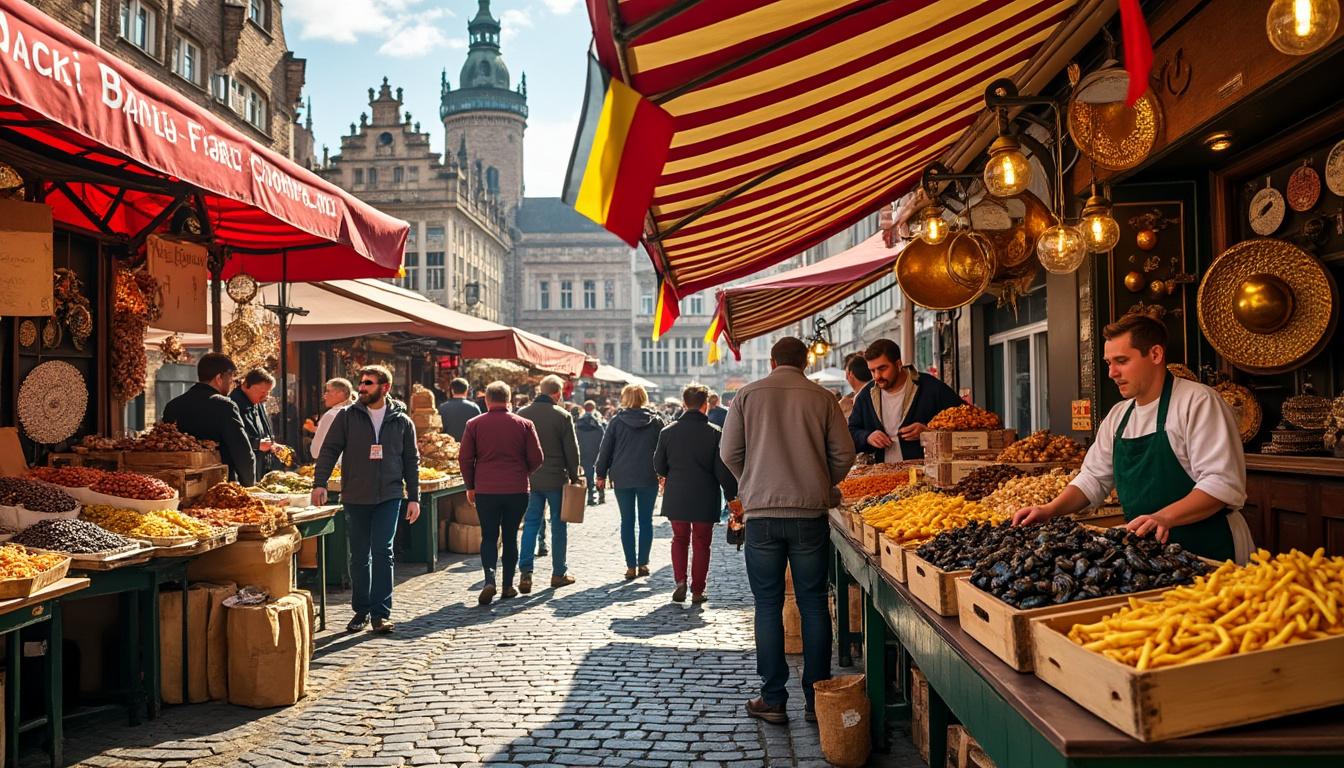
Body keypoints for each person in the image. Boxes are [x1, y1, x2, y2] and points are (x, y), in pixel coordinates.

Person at [1013, 315, 1252, 562]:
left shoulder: (1198, 402)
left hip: (1207, 548)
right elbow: (1093, 479)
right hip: (1148, 554)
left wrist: (1164, 517)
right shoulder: (1119, 416)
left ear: (1156, 354)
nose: (1112, 373)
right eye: (1108, 363)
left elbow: (1221, 484)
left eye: (1122, 361)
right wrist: (1049, 510)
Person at [721, 337, 855, 724]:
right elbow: (845, 454)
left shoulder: (746, 396)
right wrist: (820, 482)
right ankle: (817, 698)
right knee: (813, 603)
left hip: (762, 515)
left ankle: (773, 698)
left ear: (772, 361)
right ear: (804, 363)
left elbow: (728, 452)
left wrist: (751, 484)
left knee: (767, 604)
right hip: (809, 514)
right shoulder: (823, 398)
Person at [311, 365, 420, 634]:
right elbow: (329, 450)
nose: (361, 388)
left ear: (384, 388)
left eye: (368, 383)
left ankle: (381, 614)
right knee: (359, 555)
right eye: (360, 383)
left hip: (390, 494)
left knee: (383, 551)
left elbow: (411, 461)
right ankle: (361, 610)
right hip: (356, 495)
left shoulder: (402, 420)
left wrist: (414, 497)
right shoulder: (347, 416)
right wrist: (319, 483)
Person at [459, 381, 544, 605]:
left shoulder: (474, 424)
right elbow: (537, 458)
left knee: (488, 536)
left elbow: (465, 458)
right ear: (510, 400)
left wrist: (470, 485)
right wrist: (521, 471)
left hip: (486, 489)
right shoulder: (524, 424)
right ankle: (507, 585)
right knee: (510, 537)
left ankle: (489, 579)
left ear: (486, 400)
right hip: (516, 488)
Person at [654, 384, 738, 604]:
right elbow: (722, 470)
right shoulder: (714, 432)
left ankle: (680, 581)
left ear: (684, 404)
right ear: (705, 405)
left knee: (679, 539)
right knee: (701, 543)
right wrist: (732, 497)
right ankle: (698, 590)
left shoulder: (668, 431)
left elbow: (659, 465)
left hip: (677, 495)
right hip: (705, 496)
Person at [848, 338, 963, 462]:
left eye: (882, 369)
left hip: (926, 473)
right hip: (882, 476)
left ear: (898, 364)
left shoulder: (931, 387)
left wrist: (929, 431)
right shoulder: (865, 396)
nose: (877, 376)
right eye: (872, 370)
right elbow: (851, 433)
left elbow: (964, 422)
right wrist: (867, 437)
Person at [517, 375, 582, 592]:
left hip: (530, 479)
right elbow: (571, 451)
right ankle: (558, 573)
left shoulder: (522, 414)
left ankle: (525, 573)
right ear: (557, 394)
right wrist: (574, 476)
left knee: (531, 524)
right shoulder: (562, 416)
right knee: (558, 525)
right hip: (556, 479)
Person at [596, 384, 666, 580]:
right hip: (648, 476)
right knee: (646, 521)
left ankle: (630, 566)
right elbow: (663, 451)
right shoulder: (655, 421)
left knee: (627, 521)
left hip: (622, 476)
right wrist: (663, 473)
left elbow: (605, 450)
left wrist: (600, 474)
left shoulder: (616, 422)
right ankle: (643, 563)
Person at [162, 353, 256, 486]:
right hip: (218, 487)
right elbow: (243, 454)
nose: (232, 384)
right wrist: (249, 488)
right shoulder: (225, 406)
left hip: (177, 485)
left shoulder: (172, 406)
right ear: (219, 378)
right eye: (231, 379)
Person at [229, 369, 282, 476]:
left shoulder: (256, 401)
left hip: (260, 465)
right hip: (243, 469)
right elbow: (232, 437)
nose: (266, 397)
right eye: (263, 392)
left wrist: (271, 444)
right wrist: (257, 444)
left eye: (268, 392)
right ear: (246, 385)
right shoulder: (233, 404)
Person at [309, 378, 356, 461]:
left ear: (341, 394)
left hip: (335, 467)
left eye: (328, 391)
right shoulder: (359, 412)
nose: (324, 396)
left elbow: (316, 451)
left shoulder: (331, 415)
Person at [575, 400, 606, 506]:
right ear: (594, 407)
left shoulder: (578, 422)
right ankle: (601, 494)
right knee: (600, 474)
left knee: (588, 475)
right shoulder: (598, 421)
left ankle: (590, 496)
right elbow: (604, 437)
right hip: (597, 451)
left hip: (584, 452)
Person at [438, 377, 481, 442]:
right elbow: (479, 431)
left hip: (448, 447)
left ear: (452, 390)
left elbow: (439, 430)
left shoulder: (442, 408)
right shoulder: (474, 407)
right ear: (466, 390)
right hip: (469, 447)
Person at [838, 352, 873, 420]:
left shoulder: (864, 397)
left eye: (846, 373)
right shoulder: (852, 397)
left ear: (851, 373)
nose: (846, 377)